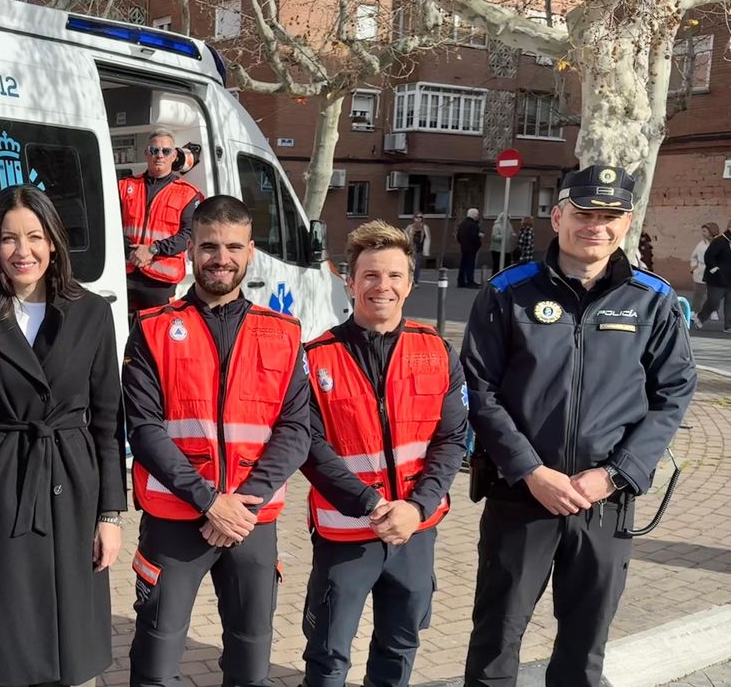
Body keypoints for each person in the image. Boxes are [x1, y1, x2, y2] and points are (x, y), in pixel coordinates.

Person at [462, 165, 697, 686]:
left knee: (584, 647)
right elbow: (479, 390)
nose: (596, 225)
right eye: (584, 214)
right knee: (495, 642)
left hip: (604, 502)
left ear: (626, 222)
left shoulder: (652, 300)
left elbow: (673, 393)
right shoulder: (506, 293)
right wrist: (530, 471)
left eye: (609, 216)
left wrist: (614, 475)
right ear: (558, 215)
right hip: (521, 497)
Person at [0, 185, 125, 686]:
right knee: (2, 630)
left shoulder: (91, 311)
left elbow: (107, 419)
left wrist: (110, 513)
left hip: (73, 480)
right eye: (10, 239)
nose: (23, 251)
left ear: (54, 242)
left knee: (73, 637)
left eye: (35, 237)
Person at [123, 195, 309, 687]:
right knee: (155, 665)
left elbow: (296, 429)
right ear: (190, 252)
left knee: (251, 664)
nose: (220, 258)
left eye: (232, 247)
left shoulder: (284, 333)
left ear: (250, 252)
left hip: (252, 521)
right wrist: (210, 501)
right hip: (175, 521)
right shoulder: (152, 329)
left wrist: (240, 505)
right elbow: (144, 431)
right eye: (208, 246)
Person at [299, 220, 467, 687]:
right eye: (370, 275)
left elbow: (452, 439)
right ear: (349, 282)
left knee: (398, 648)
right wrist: (371, 504)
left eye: (395, 276)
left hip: (416, 530)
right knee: (329, 655)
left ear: (410, 285)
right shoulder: (315, 357)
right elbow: (308, 448)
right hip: (345, 534)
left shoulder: (436, 350)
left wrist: (417, 506)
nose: (383, 287)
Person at [119, 128, 204, 313]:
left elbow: (189, 235)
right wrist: (131, 252)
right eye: (154, 150)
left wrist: (153, 249)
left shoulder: (189, 194)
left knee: (156, 336)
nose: (159, 155)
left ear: (174, 156)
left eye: (165, 151)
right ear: (146, 153)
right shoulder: (125, 186)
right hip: (125, 274)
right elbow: (111, 227)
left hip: (160, 283)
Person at [696, 220, 730, 332]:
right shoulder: (719, 241)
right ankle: (700, 318)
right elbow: (709, 257)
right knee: (714, 301)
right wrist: (715, 270)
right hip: (717, 279)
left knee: (730, 303)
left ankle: (728, 326)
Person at [689, 222, 718, 321]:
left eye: (705, 231)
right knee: (698, 293)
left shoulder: (719, 243)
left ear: (711, 232)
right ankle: (694, 311)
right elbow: (693, 257)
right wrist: (693, 267)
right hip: (701, 271)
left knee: (713, 293)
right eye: (703, 231)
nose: (703, 233)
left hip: (714, 271)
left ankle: (713, 311)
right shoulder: (701, 244)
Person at [456, 208, 483, 288]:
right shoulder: (473, 225)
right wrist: (479, 243)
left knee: (463, 264)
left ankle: (461, 281)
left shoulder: (462, 224)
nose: (478, 216)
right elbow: (475, 237)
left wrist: (462, 243)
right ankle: (470, 281)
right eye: (477, 214)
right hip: (472, 248)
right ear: (474, 215)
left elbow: (458, 236)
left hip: (464, 247)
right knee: (470, 264)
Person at [404, 213, 431, 283]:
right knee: (410, 264)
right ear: (414, 218)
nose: (418, 219)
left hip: (419, 249)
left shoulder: (425, 227)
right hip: (411, 248)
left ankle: (415, 280)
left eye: (420, 217)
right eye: (417, 217)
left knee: (417, 264)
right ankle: (409, 278)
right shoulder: (410, 227)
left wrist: (426, 249)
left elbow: (428, 238)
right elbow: (404, 236)